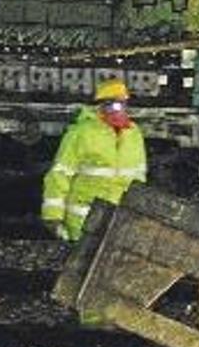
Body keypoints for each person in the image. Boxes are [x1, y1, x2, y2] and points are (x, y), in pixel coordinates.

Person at [41, 78, 147, 242]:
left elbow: (139, 179)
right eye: (110, 105)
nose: (116, 110)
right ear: (101, 107)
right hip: (83, 220)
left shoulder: (133, 134)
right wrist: (53, 216)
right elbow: (59, 174)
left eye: (120, 104)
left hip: (118, 222)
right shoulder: (82, 133)